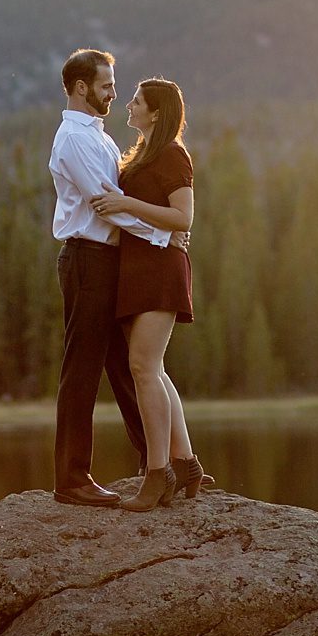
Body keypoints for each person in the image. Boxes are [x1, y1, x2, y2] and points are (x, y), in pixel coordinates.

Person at [47, 48, 183, 507]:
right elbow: (108, 204)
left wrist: (161, 232)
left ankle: (157, 464)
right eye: (106, 85)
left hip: (109, 262)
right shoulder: (75, 140)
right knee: (82, 366)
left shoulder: (99, 136)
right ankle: (71, 478)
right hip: (87, 259)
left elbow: (120, 204)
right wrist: (164, 234)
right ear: (82, 88)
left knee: (129, 365)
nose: (114, 93)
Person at [89, 77, 210, 512]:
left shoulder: (173, 154)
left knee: (143, 366)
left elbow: (184, 216)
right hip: (137, 271)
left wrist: (126, 205)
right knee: (151, 369)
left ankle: (158, 475)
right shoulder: (140, 154)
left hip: (160, 272)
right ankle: (187, 463)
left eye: (137, 100)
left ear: (155, 112)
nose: (128, 104)